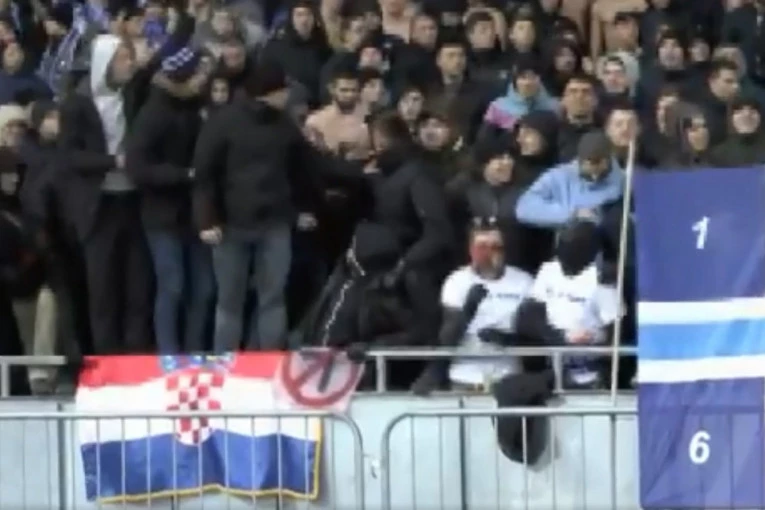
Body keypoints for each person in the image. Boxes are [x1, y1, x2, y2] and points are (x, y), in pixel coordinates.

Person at [58, 34, 154, 354]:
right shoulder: (78, 103)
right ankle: (106, 359)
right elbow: (70, 156)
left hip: (133, 200)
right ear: (106, 64)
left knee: (139, 286)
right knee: (103, 290)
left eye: (129, 58)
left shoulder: (132, 96)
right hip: (98, 206)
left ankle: (136, 356)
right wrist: (113, 161)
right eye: (123, 59)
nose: (130, 64)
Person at [126, 46, 215, 354]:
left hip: (196, 213)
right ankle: (168, 354)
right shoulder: (153, 114)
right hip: (161, 215)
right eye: (199, 73)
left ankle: (195, 350)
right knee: (172, 286)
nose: (204, 79)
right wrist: (183, 174)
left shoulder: (197, 107)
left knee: (203, 288)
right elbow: (137, 166)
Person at [412, 221, 534, 395]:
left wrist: (509, 340)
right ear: (471, 250)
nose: (489, 253)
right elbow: (446, 338)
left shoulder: (524, 282)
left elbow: (534, 336)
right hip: (464, 377)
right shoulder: (457, 281)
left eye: (495, 247)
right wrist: (468, 311)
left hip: (508, 377)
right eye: (482, 247)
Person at [527, 220, 621, 388]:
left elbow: (616, 330)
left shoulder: (601, 279)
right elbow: (533, 314)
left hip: (589, 371)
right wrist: (561, 338)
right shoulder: (549, 270)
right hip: (552, 366)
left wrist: (594, 338)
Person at [515, 130, 625, 229]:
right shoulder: (560, 176)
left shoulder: (624, 181)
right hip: (575, 235)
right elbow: (524, 207)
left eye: (599, 167)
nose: (595, 175)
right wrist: (572, 214)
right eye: (590, 167)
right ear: (580, 161)